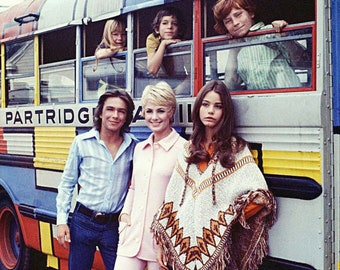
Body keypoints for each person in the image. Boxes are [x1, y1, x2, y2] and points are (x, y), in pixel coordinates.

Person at [151, 80, 276, 270]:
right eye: (205, 104)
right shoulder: (188, 149)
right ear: (198, 108)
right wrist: (163, 244)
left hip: (220, 252)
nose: (210, 111)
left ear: (225, 113)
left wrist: (224, 221)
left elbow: (261, 197)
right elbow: (172, 201)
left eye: (218, 106)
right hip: (183, 244)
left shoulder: (236, 149)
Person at [56, 89, 137, 270]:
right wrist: (62, 221)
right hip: (83, 222)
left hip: (114, 227)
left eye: (121, 111)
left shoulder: (134, 146)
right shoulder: (81, 143)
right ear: (100, 113)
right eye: (110, 109)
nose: (115, 115)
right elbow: (67, 183)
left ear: (126, 117)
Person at [114, 82, 187, 270]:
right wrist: (124, 217)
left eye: (161, 111)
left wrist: (168, 240)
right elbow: (133, 187)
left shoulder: (185, 150)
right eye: (149, 111)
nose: (154, 117)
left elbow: (184, 201)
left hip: (161, 245)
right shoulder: (140, 148)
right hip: (131, 238)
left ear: (171, 112)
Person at [213, 0, 308, 91]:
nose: (235, 23)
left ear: (251, 13)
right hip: (258, 103)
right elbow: (231, 84)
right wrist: (233, 49)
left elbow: (302, 62)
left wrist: (285, 37)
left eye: (238, 15)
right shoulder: (239, 48)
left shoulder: (270, 32)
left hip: (288, 100)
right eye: (228, 21)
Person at [146, 7, 190, 95]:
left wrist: (177, 91)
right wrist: (163, 44)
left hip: (180, 84)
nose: (169, 27)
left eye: (174, 23)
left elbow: (192, 74)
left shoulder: (184, 44)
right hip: (158, 86)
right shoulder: (152, 39)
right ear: (157, 29)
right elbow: (152, 69)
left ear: (179, 28)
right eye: (165, 23)